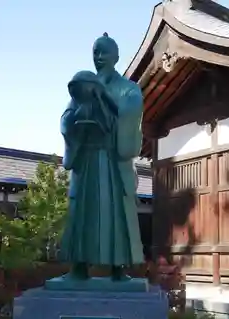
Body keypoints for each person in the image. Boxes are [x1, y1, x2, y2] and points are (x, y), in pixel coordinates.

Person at [59, 33, 144, 281]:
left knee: (117, 212)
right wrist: (73, 124)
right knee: (81, 213)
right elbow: (66, 118)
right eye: (95, 52)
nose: (98, 57)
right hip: (86, 159)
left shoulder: (129, 89)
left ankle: (119, 269)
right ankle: (78, 268)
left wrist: (103, 97)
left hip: (112, 159)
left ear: (116, 57)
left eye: (104, 52)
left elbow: (130, 114)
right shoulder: (84, 85)